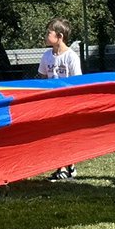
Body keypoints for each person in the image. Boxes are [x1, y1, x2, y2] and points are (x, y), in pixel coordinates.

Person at [38, 18, 84, 181]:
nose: (46, 36)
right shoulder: (46, 56)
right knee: (54, 135)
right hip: (52, 103)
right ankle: (67, 166)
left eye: (49, 33)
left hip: (68, 103)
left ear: (59, 36)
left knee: (65, 135)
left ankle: (64, 168)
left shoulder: (71, 57)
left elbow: (78, 82)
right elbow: (43, 79)